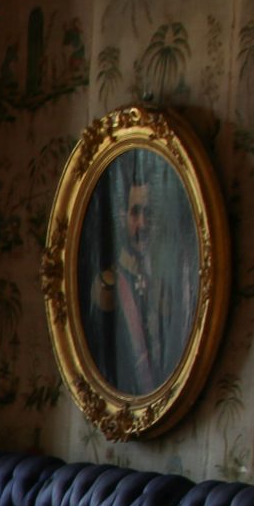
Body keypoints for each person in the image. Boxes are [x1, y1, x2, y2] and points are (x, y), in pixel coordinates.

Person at [81, 151, 196, 396]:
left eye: (148, 214)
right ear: (123, 218)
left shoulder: (161, 287)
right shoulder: (107, 286)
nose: (142, 224)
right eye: (135, 213)